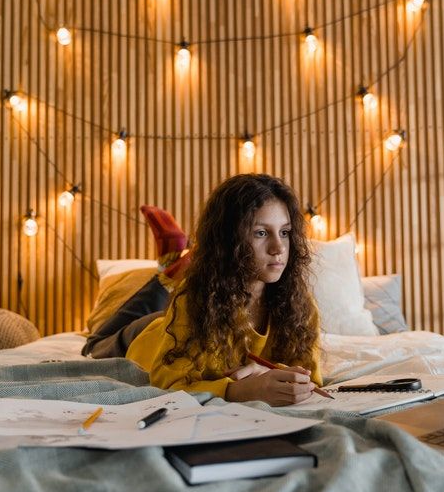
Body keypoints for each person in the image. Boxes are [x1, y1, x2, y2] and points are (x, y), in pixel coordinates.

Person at [83, 173, 322, 406]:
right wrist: (238, 390)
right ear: (230, 241)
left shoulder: (300, 304)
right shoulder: (196, 299)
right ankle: (169, 270)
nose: (278, 248)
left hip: (177, 323)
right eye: (261, 233)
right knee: (94, 344)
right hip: (146, 337)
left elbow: (310, 378)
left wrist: (269, 375)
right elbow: (170, 381)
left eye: (285, 232)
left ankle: (172, 261)